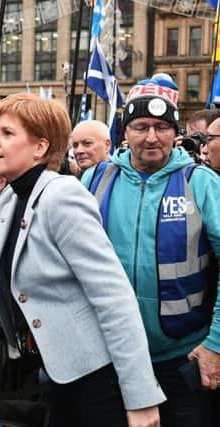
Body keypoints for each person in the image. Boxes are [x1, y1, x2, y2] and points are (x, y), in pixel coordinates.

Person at [0, 93, 165, 427]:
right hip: (51, 371)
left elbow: (114, 298)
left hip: (93, 376)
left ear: (40, 147)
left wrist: (141, 399)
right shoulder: (13, 194)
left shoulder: (62, 196)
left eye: (7, 133)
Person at [82, 77, 220, 427]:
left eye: (161, 126)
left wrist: (215, 344)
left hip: (183, 358)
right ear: (124, 133)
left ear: (175, 132)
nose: (151, 137)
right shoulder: (93, 180)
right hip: (109, 357)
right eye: (140, 126)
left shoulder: (201, 183)